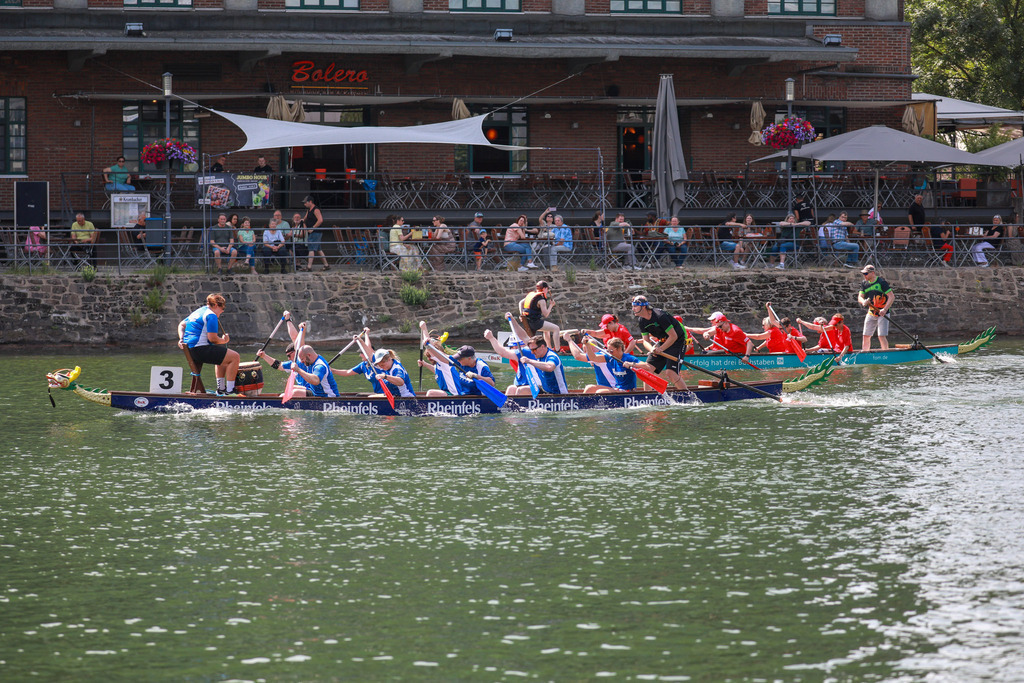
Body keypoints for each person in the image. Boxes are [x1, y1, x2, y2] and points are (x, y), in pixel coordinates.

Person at [177, 293, 241, 395]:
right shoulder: (211, 315)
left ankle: (221, 389)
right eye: (222, 307)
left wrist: (181, 339)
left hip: (191, 350)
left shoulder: (198, 311)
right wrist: (224, 341)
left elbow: (181, 324)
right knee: (234, 357)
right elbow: (213, 339)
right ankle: (230, 391)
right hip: (200, 349)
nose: (223, 310)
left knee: (222, 357)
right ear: (215, 305)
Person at [629, 295, 689, 390]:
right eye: (632, 306)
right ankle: (647, 398)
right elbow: (645, 340)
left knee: (670, 373)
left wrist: (660, 349)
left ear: (644, 307)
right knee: (647, 369)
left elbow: (673, 336)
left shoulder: (660, 316)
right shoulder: (641, 321)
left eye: (635, 306)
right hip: (663, 341)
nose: (633, 309)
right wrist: (652, 349)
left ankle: (687, 396)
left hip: (677, 342)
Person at [257, 338, 340, 399]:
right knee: (290, 389)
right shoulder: (308, 359)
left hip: (327, 396)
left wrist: (298, 370)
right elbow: (279, 365)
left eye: (302, 359)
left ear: (309, 355)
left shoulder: (319, 366)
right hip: (315, 391)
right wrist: (264, 356)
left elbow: (315, 381)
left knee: (294, 393)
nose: (302, 362)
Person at [335, 345, 415, 398]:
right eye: (380, 366)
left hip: (407, 398)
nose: (381, 368)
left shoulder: (397, 368)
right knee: (364, 396)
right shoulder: (386, 367)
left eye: (382, 365)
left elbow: (400, 382)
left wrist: (385, 376)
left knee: (370, 398)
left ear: (389, 359)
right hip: (394, 396)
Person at [423, 344, 497, 397]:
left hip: (478, 397)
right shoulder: (460, 362)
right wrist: (429, 346)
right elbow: (443, 357)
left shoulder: (481, 366)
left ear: (469, 358)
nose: (458, 360)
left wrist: (476, 376)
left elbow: (492, 383)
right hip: (463, 395)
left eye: (460, 359)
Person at [482, 328, 535, 396]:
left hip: (535, 386)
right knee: (511, 388)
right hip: (523, 384)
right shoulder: (515, 358)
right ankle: (506, 406)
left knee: (520, 390)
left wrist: (491, 338)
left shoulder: (527, 351)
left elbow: (503, 352)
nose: (514, 349)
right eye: (512, 347)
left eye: (516, 347)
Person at [857, 264, 894, 351]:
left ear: (872, 273)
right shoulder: (864, 283)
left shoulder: (882, 283)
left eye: (866, 274)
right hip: (871, 312)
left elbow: (891, 297)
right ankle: (865, 353)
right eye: (863, 274)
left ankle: (885, 353)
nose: (864, 275)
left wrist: (884, 309)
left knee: (881, 336)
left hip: (883, 313)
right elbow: (860, 297)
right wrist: (863, 302)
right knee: (866, 335)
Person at [689, 311, 755, 361]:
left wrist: (747, 356)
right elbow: (707, 332)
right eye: (718, 327)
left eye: (720, 326)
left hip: (739, 354)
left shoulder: (736, 331)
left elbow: (749, 343)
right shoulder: (719, 328)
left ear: (726, 323)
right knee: (703, 353)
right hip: (728, 352)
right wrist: (706, 335)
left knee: (708, 355)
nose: (719, 329)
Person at [519, 280, 561, 351]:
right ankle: (558, 350)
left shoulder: (531, 295)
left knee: (546, 330)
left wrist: (521, 314)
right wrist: (551, 305)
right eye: (547, 289)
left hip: (528, 321)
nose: (547, 291)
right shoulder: (541, 299)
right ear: (544, 289)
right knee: (556, 328)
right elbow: (546, 314)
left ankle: (549, 348)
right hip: (535, 323)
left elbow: (520, 303)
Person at [302, 195, 330, 271]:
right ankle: (326, 265)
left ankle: (309, 266)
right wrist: (299, 221)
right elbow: (304, 219)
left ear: (310, 202)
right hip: (312, 232)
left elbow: (320, 220)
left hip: (316, 232)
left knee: (311, 248)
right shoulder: (309, 210)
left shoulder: (316, 209)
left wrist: (313, 228)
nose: (305, 204)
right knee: (318, 249)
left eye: (306, 202)